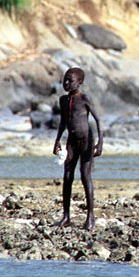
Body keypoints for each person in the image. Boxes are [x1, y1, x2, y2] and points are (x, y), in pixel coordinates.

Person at [52, 67, 103, 230]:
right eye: (64, 80)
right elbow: (63, 121)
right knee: (67, 176)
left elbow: (98, 120)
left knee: (85, 176)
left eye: (70, 80)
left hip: (86, 140)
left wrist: (100, 143)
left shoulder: (84, 98)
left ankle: (90, 217)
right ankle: (66, 216)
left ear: (79, 82)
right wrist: (58, 139)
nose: (66, 83)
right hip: (72, 141)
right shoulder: (63, 100)